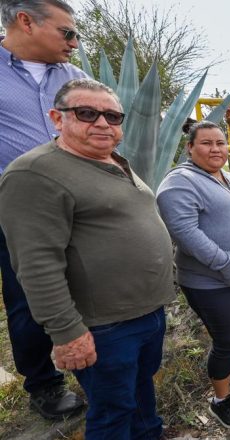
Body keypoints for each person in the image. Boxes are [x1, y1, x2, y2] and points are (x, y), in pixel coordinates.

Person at [0, 79, 174, 438]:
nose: (102, 123)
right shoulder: (35, 173)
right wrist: (67, 334)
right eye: (86, 113)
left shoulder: (112, 161)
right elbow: (36, 264)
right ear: (57, 118)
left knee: (141, 398)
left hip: (146, 314)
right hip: (104, 327)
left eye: (112, 116)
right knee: (113, 412)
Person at [0, 0, 88, 419]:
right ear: (25, 21)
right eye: (67, 32)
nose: (75, 42)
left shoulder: (75, 78)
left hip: (80, 204)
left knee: (90, 284)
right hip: (16, 212)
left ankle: (93, 360)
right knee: (27, 297)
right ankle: (45, 385)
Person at [157, 121, 230, 429]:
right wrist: (228, 264)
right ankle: (220, 400)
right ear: (190, 147)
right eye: (207, 143)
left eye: (220, 143)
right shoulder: (179, 183)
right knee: (226, 339)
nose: (216, 149)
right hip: (212, 281)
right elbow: (186, 233)